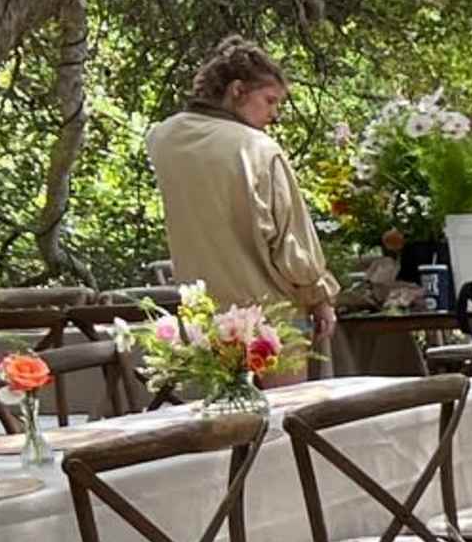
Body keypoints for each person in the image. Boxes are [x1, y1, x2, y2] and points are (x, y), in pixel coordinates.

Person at [144, 37, 342, 345]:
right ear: (237, 91)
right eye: (270, 100)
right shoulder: (258, 148)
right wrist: (320, 296)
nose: (275, 114)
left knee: (213, 380)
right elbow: (291, 243)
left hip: (203, 319)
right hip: (269, 320)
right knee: (284, 381)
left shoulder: (163, 138)